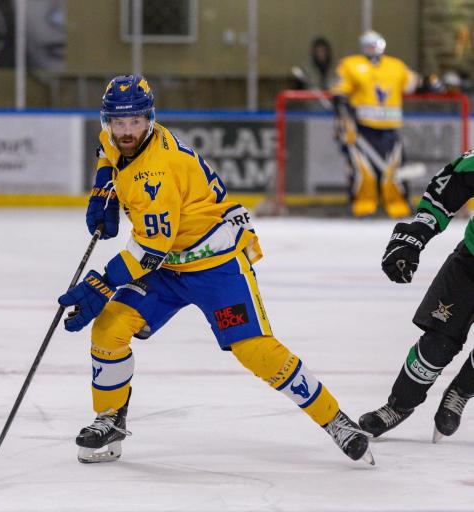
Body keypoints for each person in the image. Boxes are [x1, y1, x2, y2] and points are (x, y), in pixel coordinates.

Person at [57, 74, 374, 465]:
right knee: (109, 328)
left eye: (135, 122)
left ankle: (336, 420)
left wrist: (102, 284)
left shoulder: (155, 171)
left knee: (254, 350)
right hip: (168, 266)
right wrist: (104, 184)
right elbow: (107, 151)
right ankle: (110, 420)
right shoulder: (116, 138)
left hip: (214, 263)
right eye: (118, 122)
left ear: (150, 119)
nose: (125, 131)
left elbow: (150, 249)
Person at [360, 149, 474, 442]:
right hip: (470, 263)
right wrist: (416, 235)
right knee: (437, 343)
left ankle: (461, 390)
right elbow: (446, 189)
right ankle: (400, 405)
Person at [331, 30, 418, 218]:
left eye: (375, 44)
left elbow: (412, 83)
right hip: (363, 128)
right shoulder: (351, 64)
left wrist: (429, 82)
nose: (372, 48)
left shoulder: (395, 66)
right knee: (364, 171)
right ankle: (363, 206)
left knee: (394, 170)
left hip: (390, 128)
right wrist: (339, 98)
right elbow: (340, 87)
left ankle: (398, 206)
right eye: (368, 45)